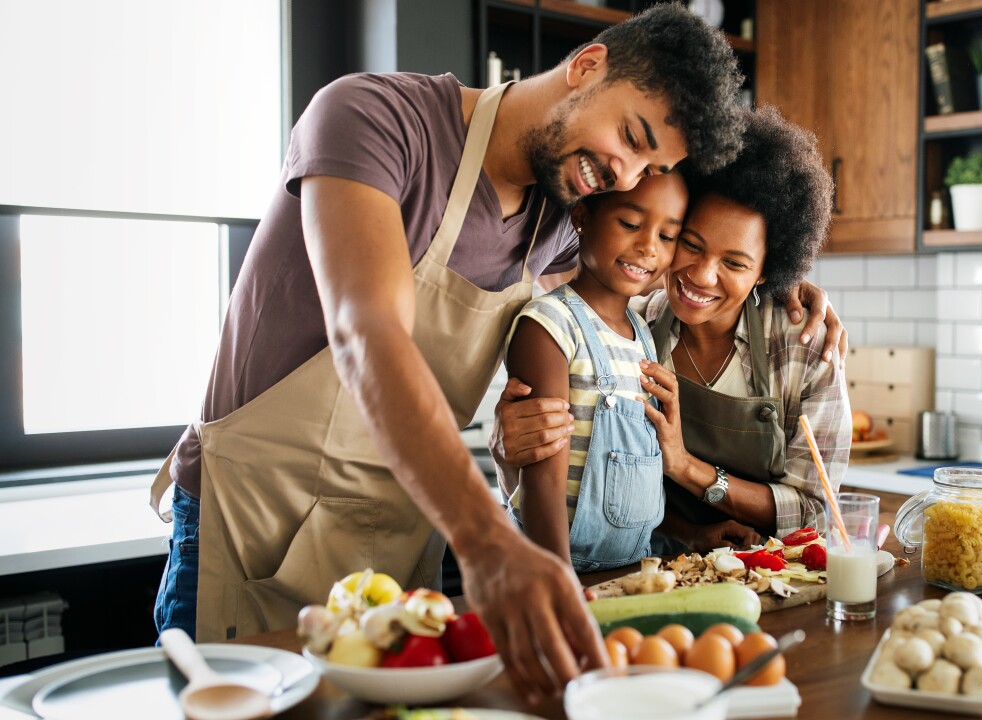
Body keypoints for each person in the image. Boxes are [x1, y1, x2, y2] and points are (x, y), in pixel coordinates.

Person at [148, 5, 748, 701]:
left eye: (653, 164)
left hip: (395, 540)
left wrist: (782, 301)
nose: (625, 175)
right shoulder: (372, 119)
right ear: (587, 67)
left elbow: (636, 297)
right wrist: (488, 540)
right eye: (631, 136)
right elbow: (366, 334)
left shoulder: (557, 219)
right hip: (258, 523)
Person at [494, 107, 853, 554]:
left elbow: (816, 509)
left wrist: (687, 468)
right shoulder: (634, 324)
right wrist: (510, 439)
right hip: (652, 567)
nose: (702, 276)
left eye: (735, 263)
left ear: (768, 272)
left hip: (773, 575)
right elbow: (564, 472)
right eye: (690, 243)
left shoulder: (804, 347)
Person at [504, 172, 686, 572]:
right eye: (630, 224)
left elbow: (632, 479)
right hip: (552, 570)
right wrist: (560, 583)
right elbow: (544, 479)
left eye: (667, 236)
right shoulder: (549, 325)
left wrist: (698, 533)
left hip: (631, 569)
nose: (647, 247)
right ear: (582, 216)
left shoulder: (642, 334)